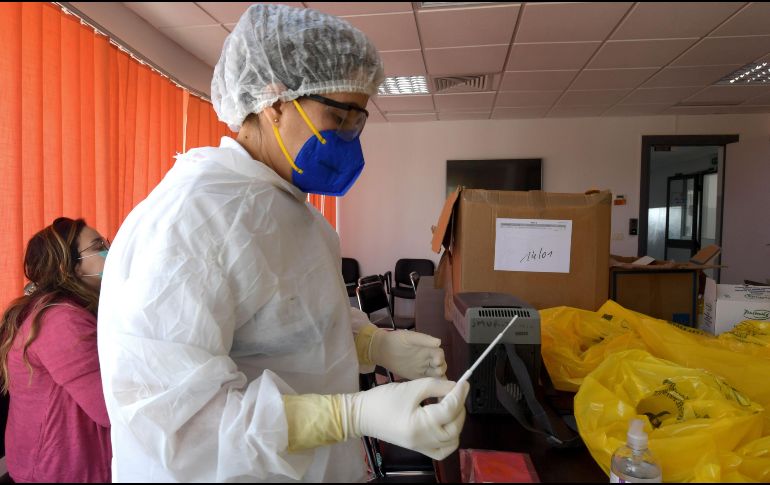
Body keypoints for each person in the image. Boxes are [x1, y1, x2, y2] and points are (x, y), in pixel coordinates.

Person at [97, 3, 468, 483]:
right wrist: (351, 415)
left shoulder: (299, 216)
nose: (351, 137)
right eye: (339, 115)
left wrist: (374, 344)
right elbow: (180, 424)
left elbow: (296, 332)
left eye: (360, 119)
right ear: (275, 102)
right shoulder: (190, 222)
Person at [0, 217, 111, 482]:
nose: (110, 250)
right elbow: (110, 410)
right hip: (56, 472)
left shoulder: (64, 309)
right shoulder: (61, 321)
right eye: (98, 246)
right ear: (68, 267)